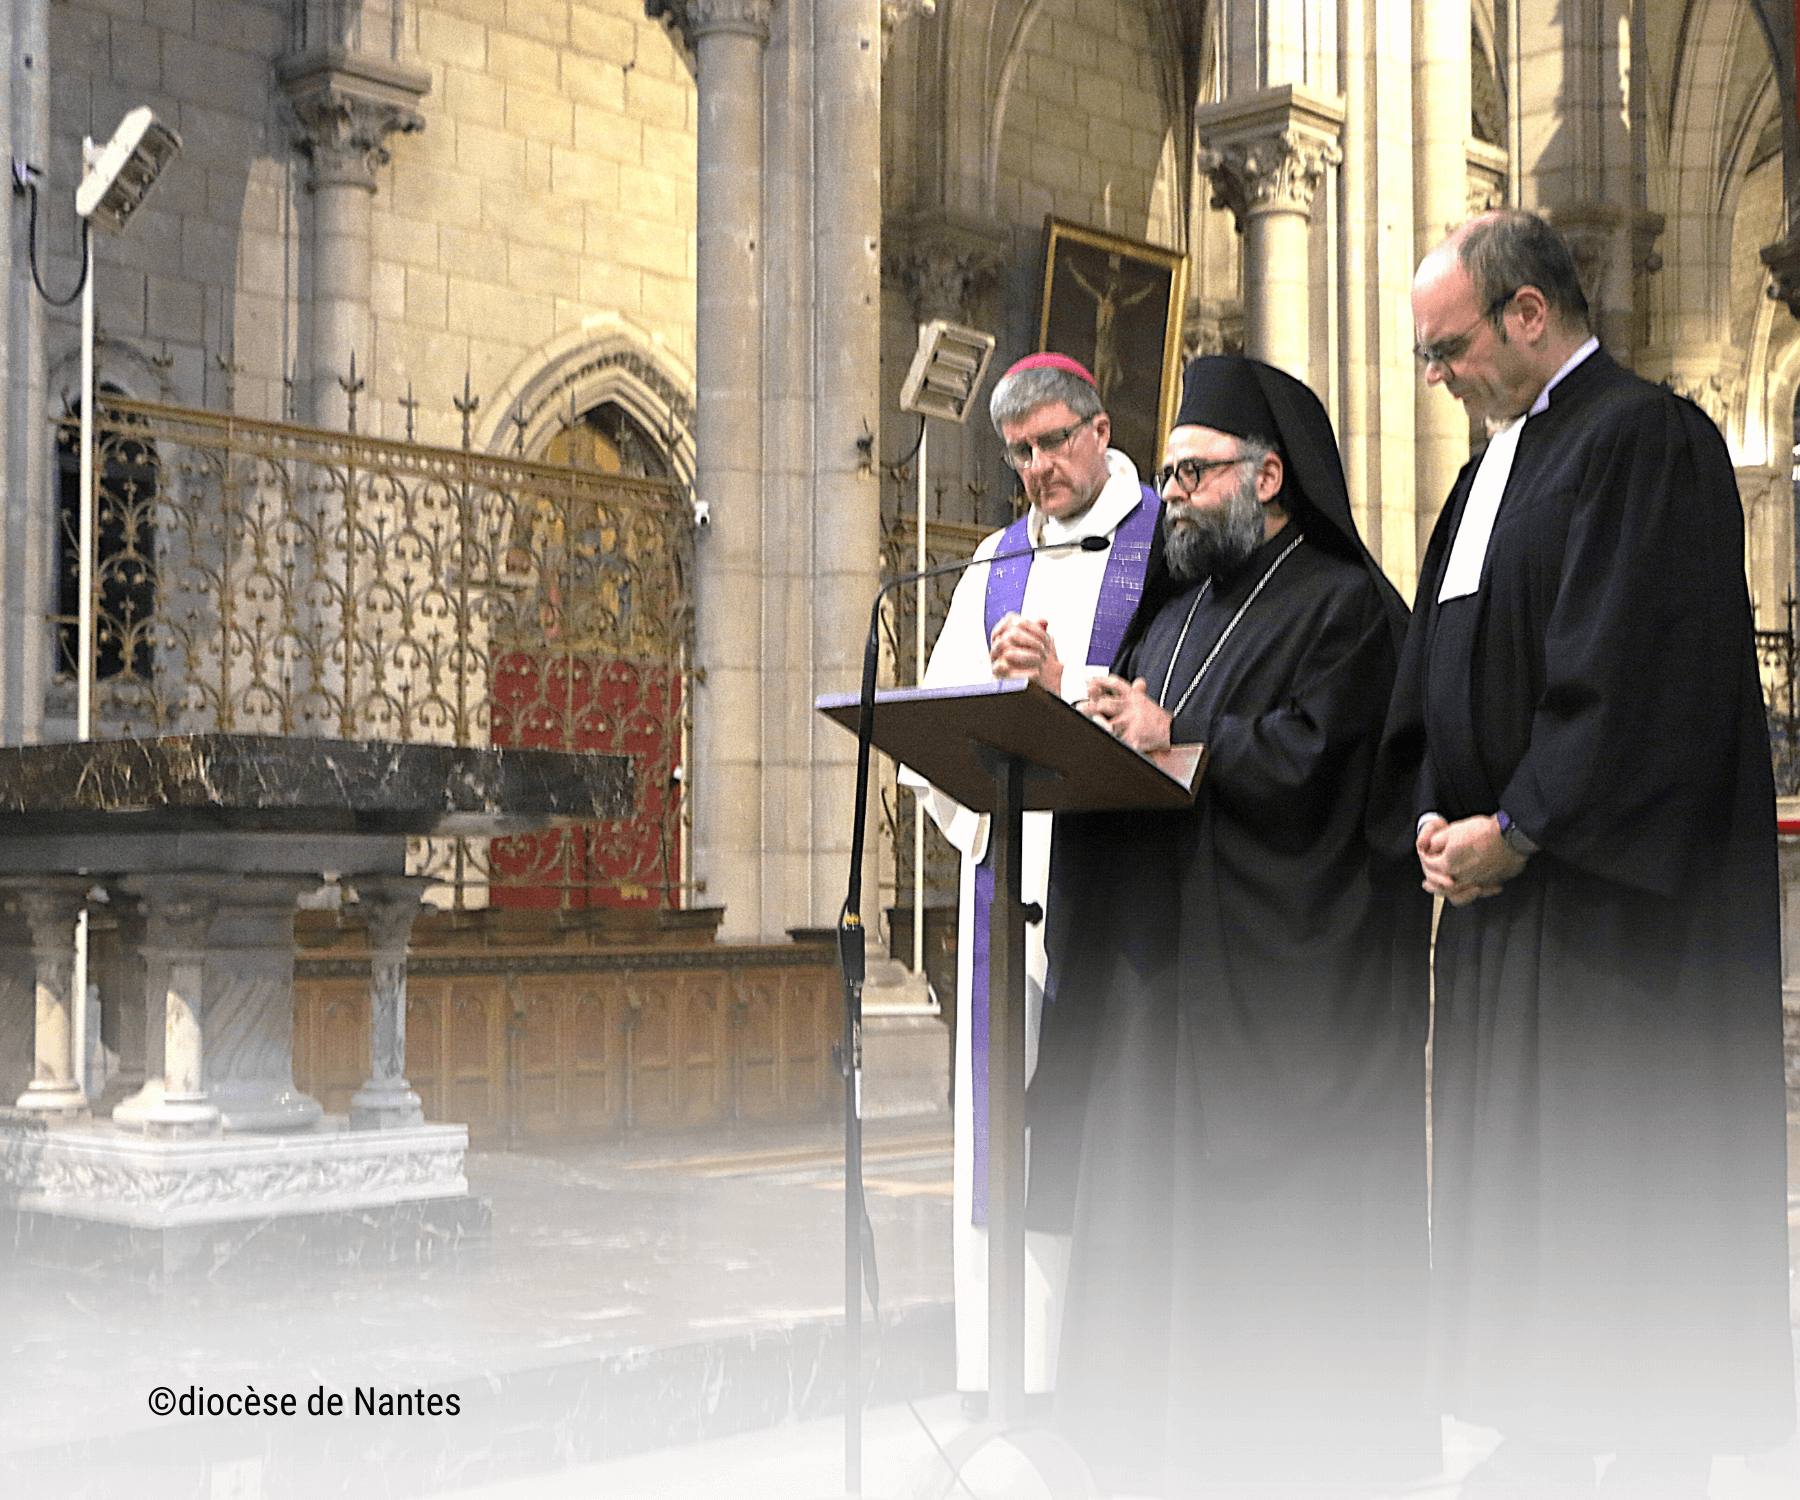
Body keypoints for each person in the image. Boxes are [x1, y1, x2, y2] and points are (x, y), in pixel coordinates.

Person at [1379, 208, 1795, 1498]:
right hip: (1507, 891)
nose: (1435, 377)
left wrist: (1528, 822)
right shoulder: (1491, 467)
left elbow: (1640, 667)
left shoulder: (1641, 438)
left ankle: (1647, 1435)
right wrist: (1437, 818)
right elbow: (1439, 665)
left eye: (1446, 349)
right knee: (1516, 1173)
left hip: (1611, 907)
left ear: (1526, 313)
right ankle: (1542, 1414)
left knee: (1618, 1172)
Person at [1028, 354, 1436, 1496]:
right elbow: (1146, 738)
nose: (1172, 498)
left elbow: (1324, 766)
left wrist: (1178, 740)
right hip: (1158, 989)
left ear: (1267, 477)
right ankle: (1140, 1449)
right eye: (1165, 477)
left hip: (1272, 999)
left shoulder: (1347, 607)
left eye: (1194, 475)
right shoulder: (1176, 611)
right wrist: (1082, 709)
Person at [904, 351, 1159, 1411]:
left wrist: (1065, 690)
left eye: (1057, 441)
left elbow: (1178, 704)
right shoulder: (996, 560)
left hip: (1127, 886)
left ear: (1101, 429)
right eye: (1021, 452)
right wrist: (990, 692)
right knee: (1009, 1123)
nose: (1041, 467)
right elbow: (940, 719)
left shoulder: (1168, 545)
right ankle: (1003, 1378)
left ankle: (1107, 1374)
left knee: (1105, 1123)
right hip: (1011, 881)